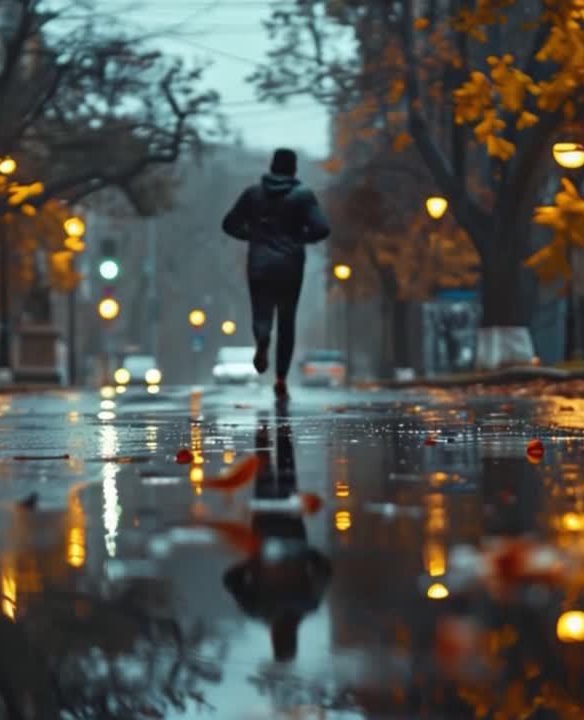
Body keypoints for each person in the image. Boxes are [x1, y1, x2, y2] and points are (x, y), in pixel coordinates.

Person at [221, 148, 331, 400]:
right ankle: (281, 378)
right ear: (293, 169)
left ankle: (261, 340)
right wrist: (299, 238)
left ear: (271, 167)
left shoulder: (253, 194)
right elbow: (322, 228)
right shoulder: (302, 196)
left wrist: (253, 236)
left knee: (261, 310)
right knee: (286, 320)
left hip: (259, 262)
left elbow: (229, 224)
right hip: (290, 264)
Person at [222, 414, 332, 663]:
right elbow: (230, 580)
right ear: (275, 638)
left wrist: (305, 554)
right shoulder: (258, 609)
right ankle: (262, 430)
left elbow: (324, 570)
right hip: (264, 534)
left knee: (287, 476)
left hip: (293, 535)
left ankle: (282, 431)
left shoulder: (308, 604)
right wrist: (253, 561)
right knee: (264, 478)